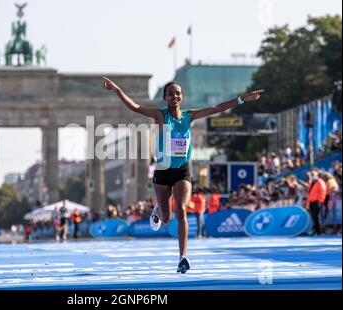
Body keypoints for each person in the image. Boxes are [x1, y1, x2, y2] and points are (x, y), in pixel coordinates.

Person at [103, 77, 262, 273]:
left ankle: (182, 257)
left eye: (178, 93)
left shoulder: (189, 116)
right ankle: (158, 210)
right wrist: (117, 89)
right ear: (165, 98)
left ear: (182, 97)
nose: (175, 96)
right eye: (171, 94)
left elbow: (216, 108)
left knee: (182, 210)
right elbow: (135, 107)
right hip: (162, 171)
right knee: (167, 218)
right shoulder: (160, 116)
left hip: (182, 170)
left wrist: (242, 99)